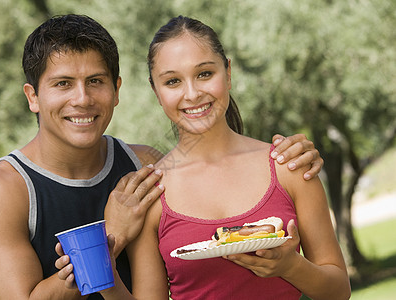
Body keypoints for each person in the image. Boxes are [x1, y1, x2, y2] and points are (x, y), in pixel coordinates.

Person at [0, 14, 323, 300]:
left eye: (95, 81)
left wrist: (294, 154)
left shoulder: (145, 167)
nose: (83, 99)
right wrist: (111, 240)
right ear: (32, 97)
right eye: (62, 84)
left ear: (117, 90)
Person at [57, 16, 350, 299]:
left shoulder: (289, 166)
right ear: (156, 92)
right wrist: (103, 274)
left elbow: (338, 291)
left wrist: (291, 266)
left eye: (205, 74)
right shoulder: (151, 194)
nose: (193, 93)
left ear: (228, 73)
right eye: (173, 81)